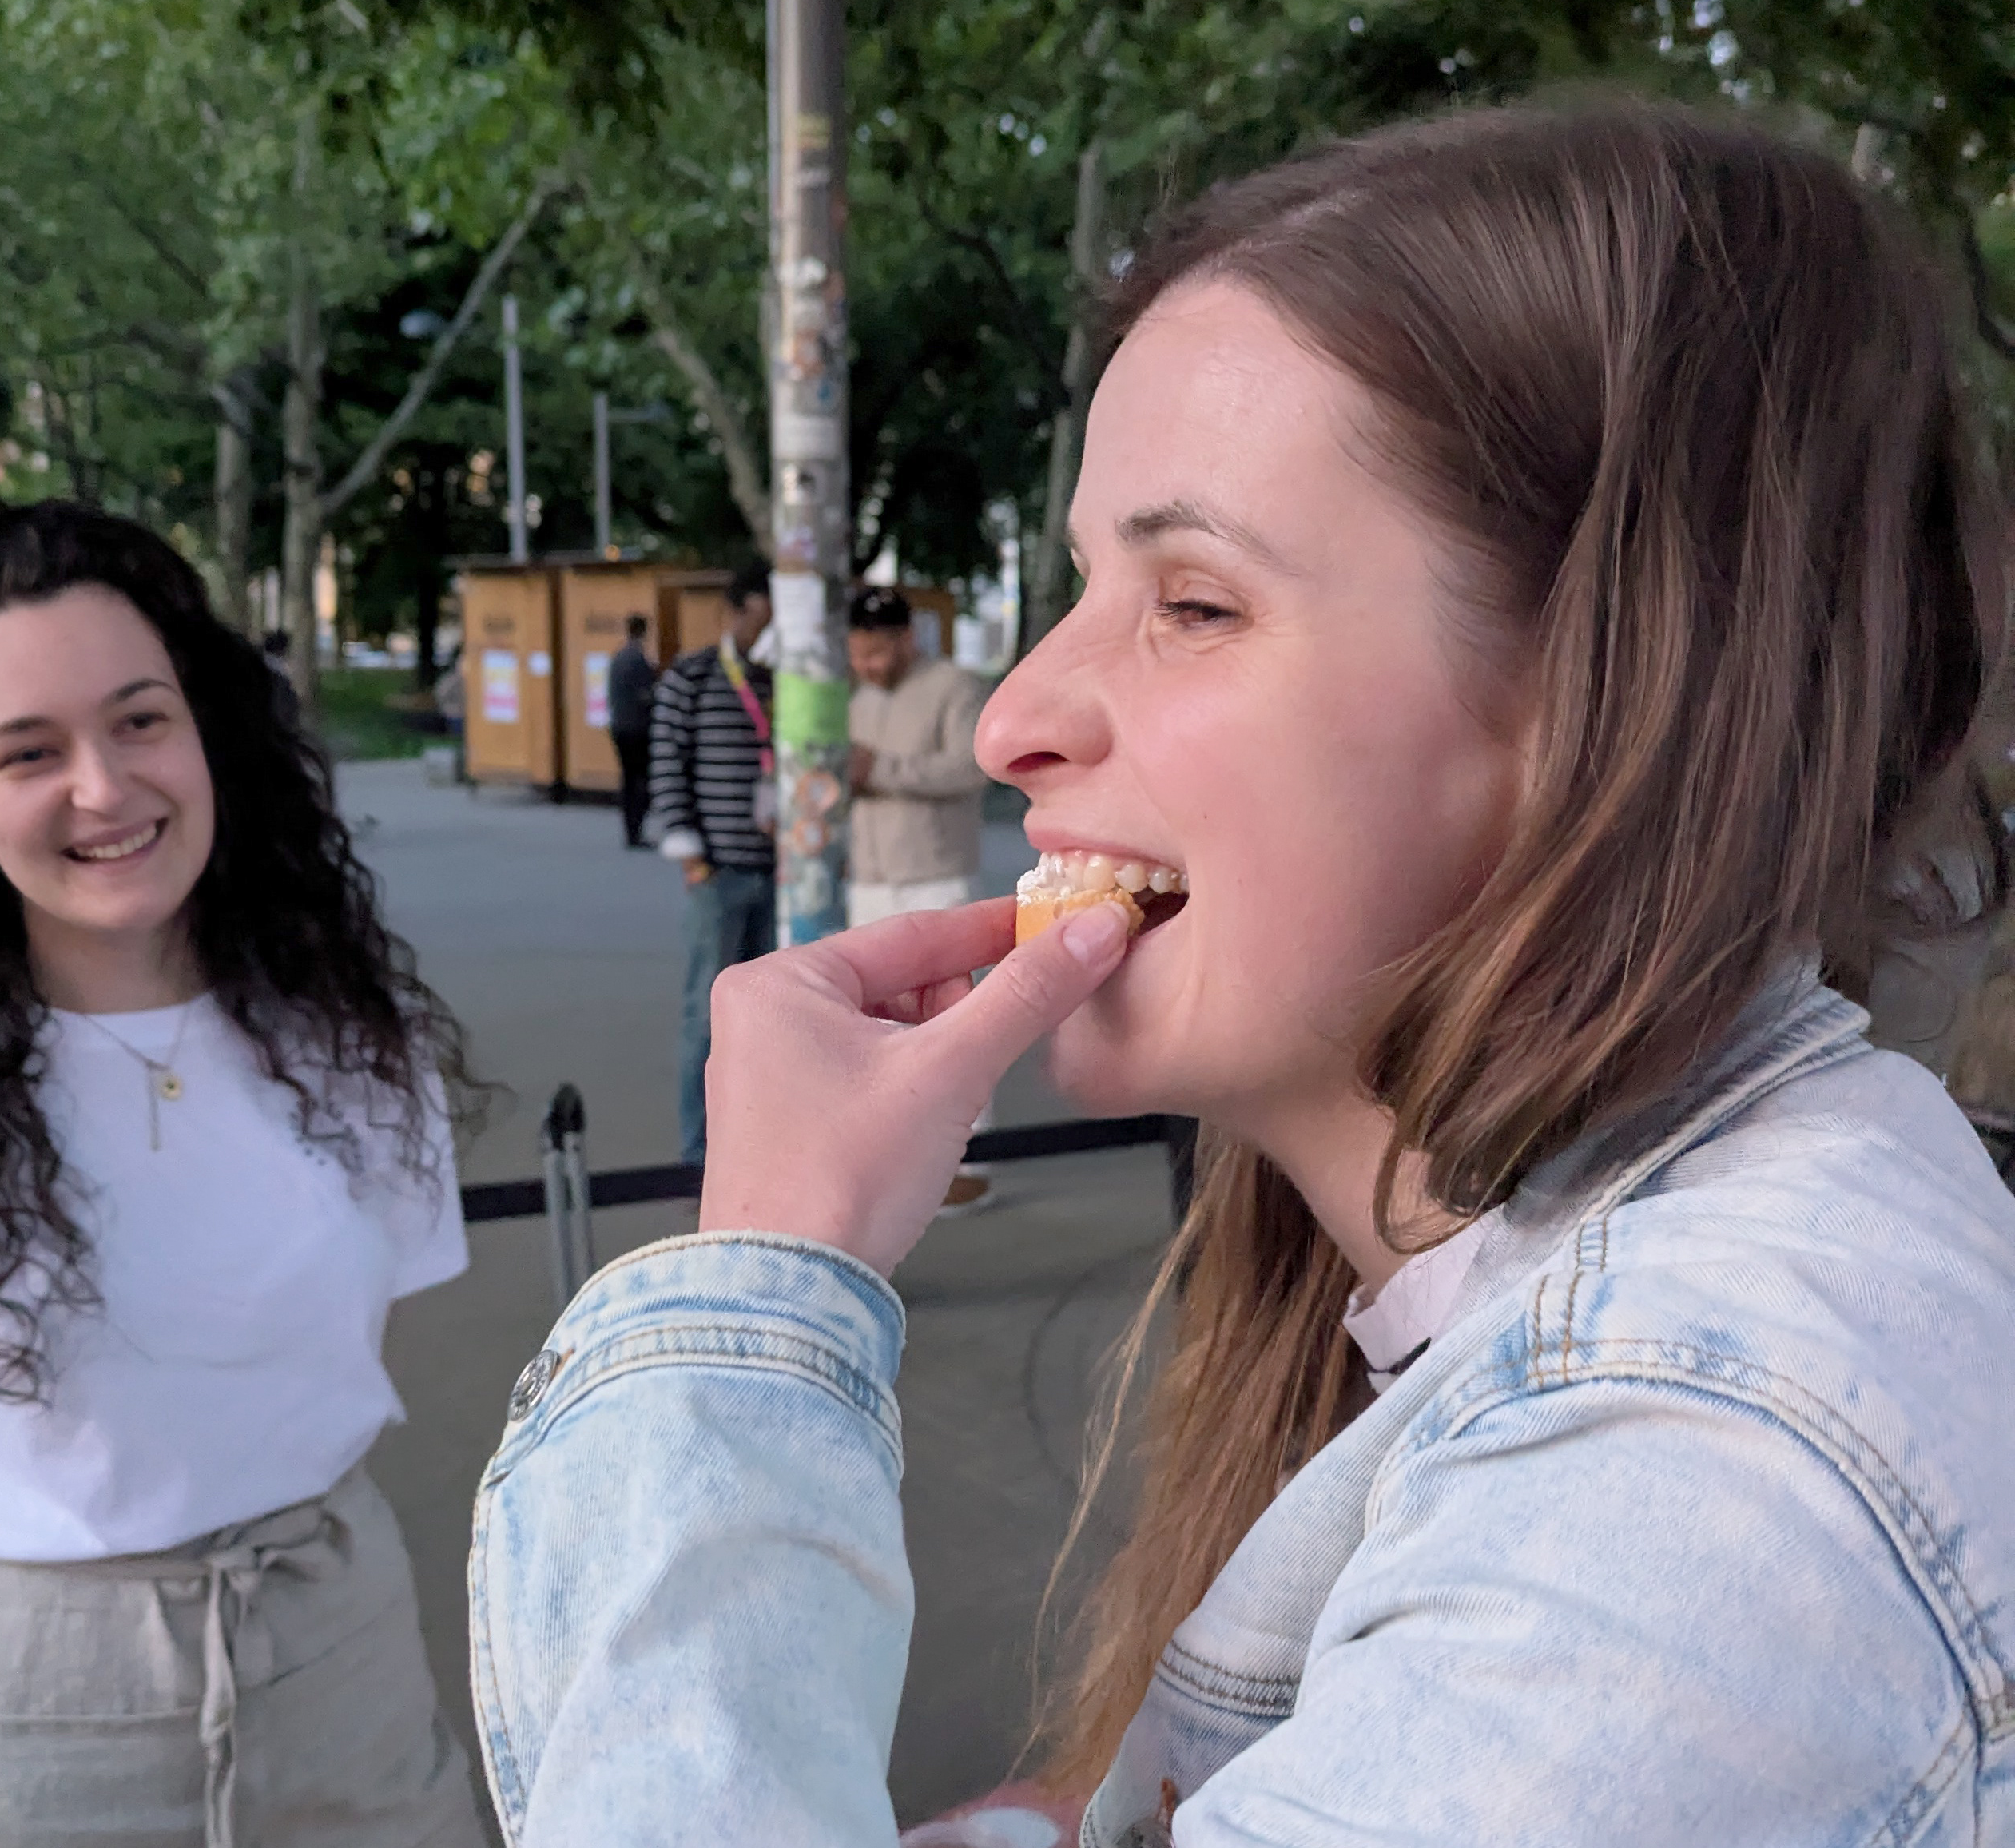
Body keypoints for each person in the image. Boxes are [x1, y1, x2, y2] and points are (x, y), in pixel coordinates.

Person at [462, 103, 2015, 1846]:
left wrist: (754, 1298)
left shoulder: (1703, 1484)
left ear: (1615, 704)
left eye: (1192, 602)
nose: (1011, 720)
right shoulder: (1554, 1280)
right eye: (1079, 583)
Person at [0, 503, 490, 1848]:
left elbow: (329, 1357)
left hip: (339, 1656)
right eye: (27, 751)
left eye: (139, 719)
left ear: (206, 727)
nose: (106, 787)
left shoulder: (355, 1040)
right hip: (1, 1715)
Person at [845, 585, 996, 1212]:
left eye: (878, 652)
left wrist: (880, 770)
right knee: (878, 1022)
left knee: (958, 1020)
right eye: (858, 653)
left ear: (908, 638)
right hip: (869, 877)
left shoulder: (955, 687)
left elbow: (970, 768)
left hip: (936, 874)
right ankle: (901, 1153)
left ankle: (972, 1156)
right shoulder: (855, 698)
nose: (868, 666)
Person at [648, 560, 775, 1162]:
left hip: (784, 875)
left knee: (774, 1018)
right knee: (706, 1014)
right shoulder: (692, 677)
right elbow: (666, 768)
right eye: (763, 617)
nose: (773, 631)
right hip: (719, 874)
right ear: (736, 612)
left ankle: (757, 1143)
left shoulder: (794, 682)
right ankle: (697, 1156)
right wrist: (692, 858)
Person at [606, 611, 658, 848]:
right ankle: (636, 829)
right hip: (637, 727)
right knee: (641, 779)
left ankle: (630, 830)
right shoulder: (638, 659)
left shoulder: (617, 658)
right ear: (644, 631)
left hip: (618, 725)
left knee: (628, 779)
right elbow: (647, 694)